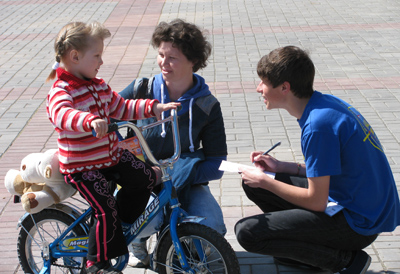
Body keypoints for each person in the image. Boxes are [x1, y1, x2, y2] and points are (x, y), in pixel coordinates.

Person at [235, 46, 400, 274]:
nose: (258, 88)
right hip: (360, 206)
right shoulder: (322, 104)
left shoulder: (317, 126)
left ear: (285, 87)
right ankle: (307, 254)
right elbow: (328, 170)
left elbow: (316, 201)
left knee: (248, 232)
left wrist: (266, 181)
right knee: (252, 183)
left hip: (358, 223)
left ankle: (345, 261)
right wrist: (281, 167)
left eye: (263, 82)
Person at [46, 21, 180, 274]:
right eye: (96, 55)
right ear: (75, 57)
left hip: (110, 157)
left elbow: (122, 107)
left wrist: (154, 108)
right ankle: (95, 263)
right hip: (81, 167)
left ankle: (122, 225)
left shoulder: (98, 85)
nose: (101, 61)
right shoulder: (62, 90)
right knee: (106, 208)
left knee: (145, 178)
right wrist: (89, 121)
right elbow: (62, 114)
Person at [119, 19, 228, 268]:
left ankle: (177, 242)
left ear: (193, 61)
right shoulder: (140, 89)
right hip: (139, 181)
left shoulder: (207, 105)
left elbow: (218, 163)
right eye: (160, 54)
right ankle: (139, 240)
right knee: (146, 220)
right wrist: (124, 159)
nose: (163, 63)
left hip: (185, 184)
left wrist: (177, 171)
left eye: (172, 57)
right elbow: (105, 121)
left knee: (213, 225)